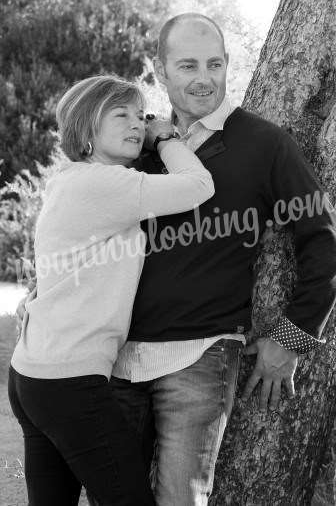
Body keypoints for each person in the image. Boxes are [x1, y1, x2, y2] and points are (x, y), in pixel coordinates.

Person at [108, 13, 336, 506]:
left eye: (214, 64)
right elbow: (89, 227)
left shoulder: (263, 145)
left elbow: (328, 239)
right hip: (113, 357)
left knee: (181, 500)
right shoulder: (139, 146)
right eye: (188, 64)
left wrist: (293, 337)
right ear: (161, 71)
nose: (203, 78)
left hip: (201, 357)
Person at [8, 74, 215, 506]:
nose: (137, 123)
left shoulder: (71, 180)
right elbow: (199, 186)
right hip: (69, 382)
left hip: (34, 375)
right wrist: (166, 138)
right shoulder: (104, 184)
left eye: (142, 116)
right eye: (121, 114)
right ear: (86, 127)